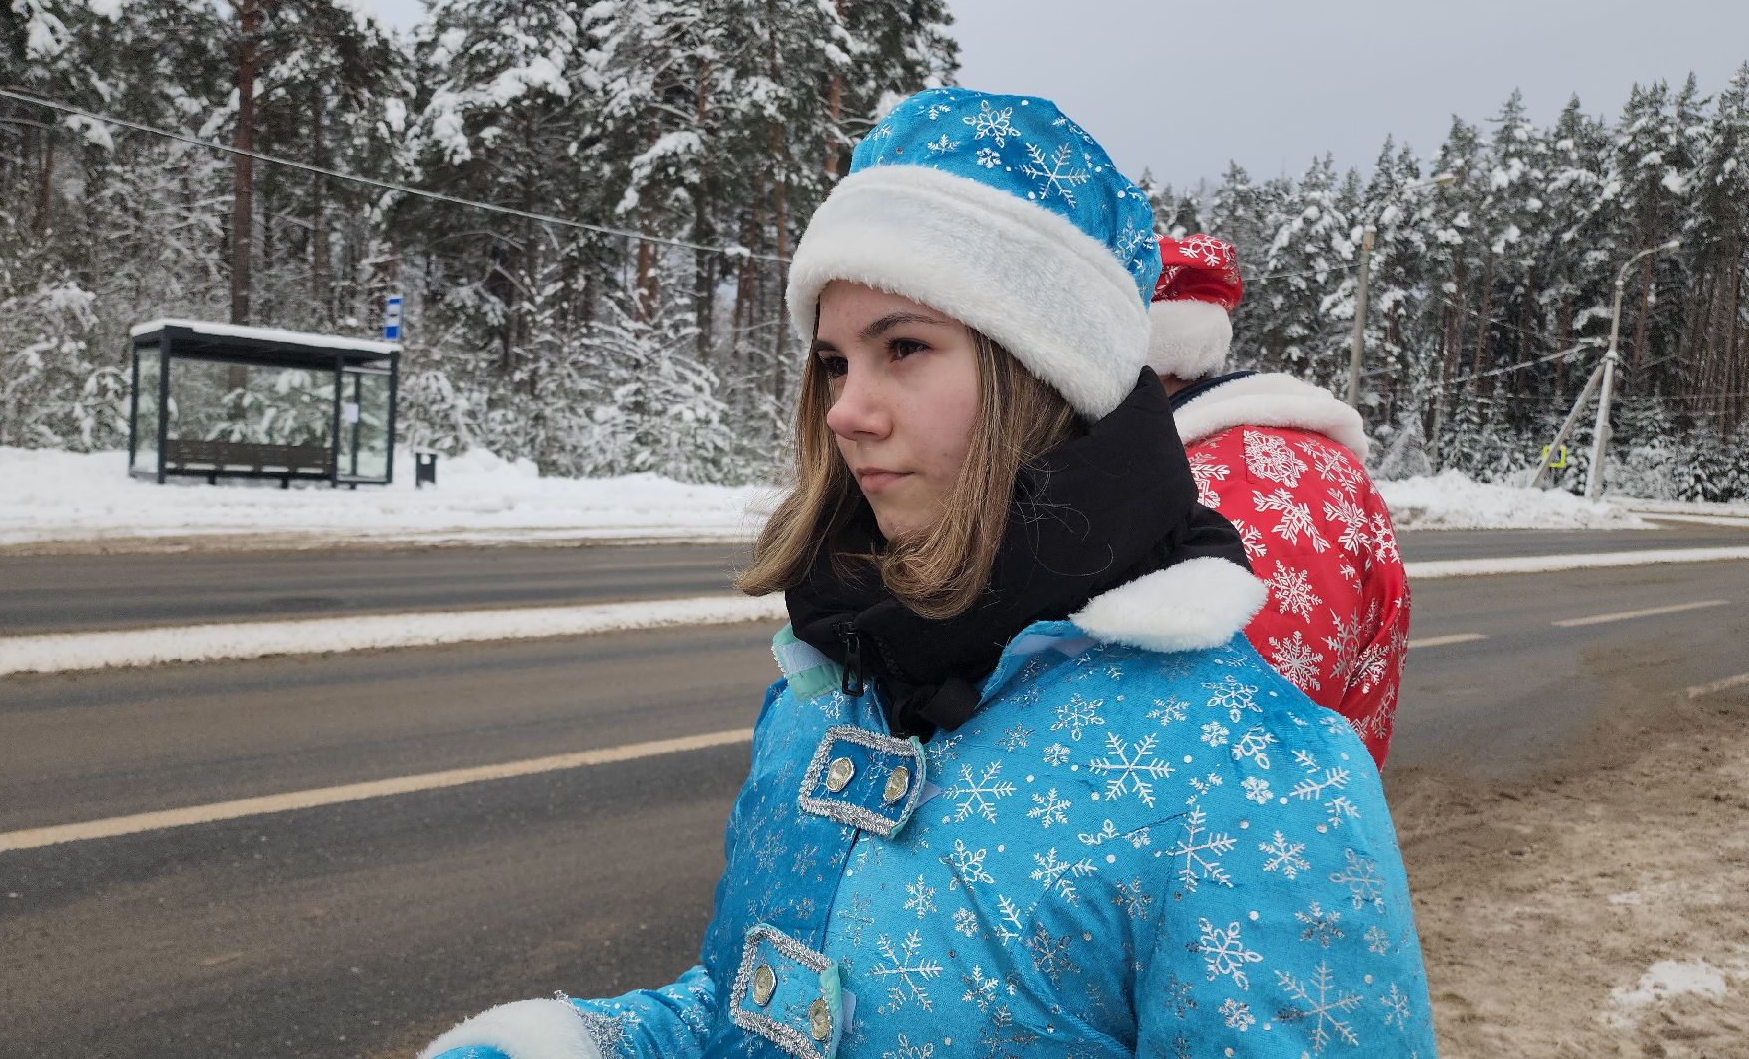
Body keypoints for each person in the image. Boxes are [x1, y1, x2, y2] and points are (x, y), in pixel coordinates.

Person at [419, 89, 1435, 1059]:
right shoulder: (831, 691)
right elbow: (752, 1013)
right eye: (832, 362)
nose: (845, 411)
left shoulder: (1248, 777)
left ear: (1042, 371)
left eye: (902, 347)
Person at [1148, 234, 1412, 768]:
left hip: (1225, 832)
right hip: (1318, 810)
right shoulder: (1315, 464)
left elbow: (1234, 731)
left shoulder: (1231, 482)